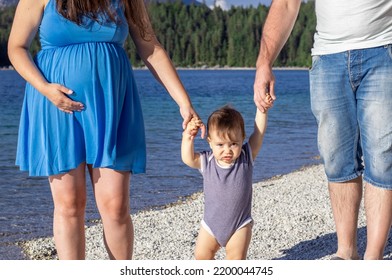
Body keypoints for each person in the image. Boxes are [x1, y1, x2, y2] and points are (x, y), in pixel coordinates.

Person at [8, 0, 204, 260]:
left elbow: (150, 47)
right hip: (55, 106)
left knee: (115, 206)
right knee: (69, 204)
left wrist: (183, 102)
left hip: (113, 105)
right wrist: (45, 88)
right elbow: (16, 48)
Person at [254, 0, 392, 260]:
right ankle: (346, 252)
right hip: (328, 57)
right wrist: (264, 63)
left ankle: (373, 258)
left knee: (383, 158)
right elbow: (285, 4)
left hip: (384, 49)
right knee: (336, 157)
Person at [181, 101, 272, 260]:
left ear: (242, 139)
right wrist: (188, 136)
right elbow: (188, 159)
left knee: (236, 259)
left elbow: (259, 133)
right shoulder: (207, 161)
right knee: (202, 256)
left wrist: (262, 110)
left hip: (239, 224)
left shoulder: (246, 156)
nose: (227, 150)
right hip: (210, 225)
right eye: (220, 144)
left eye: (234, 144)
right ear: (209, 141)